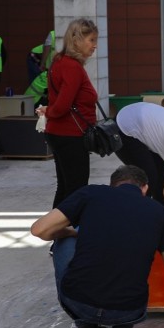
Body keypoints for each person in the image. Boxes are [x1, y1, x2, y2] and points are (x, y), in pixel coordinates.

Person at [30, 165, 164, 328]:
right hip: (128, 309)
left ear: (112, 186)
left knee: (63, 239)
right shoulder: (159, 213)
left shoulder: (91, 194)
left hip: (78, 301)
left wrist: (71, 232)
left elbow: (39, 230)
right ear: (145, 189)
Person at [35, 19, 99, 208]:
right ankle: (67, 230)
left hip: (61, 133)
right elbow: (63, 105)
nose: (95, 46)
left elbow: (59, 101)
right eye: (91, 40)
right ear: (77, 40)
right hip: (70, 134)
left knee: (66, 187)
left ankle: (57, 231)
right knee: (76, 189)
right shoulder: (72, 67)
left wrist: (50, 110)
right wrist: (51, 110)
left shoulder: (58, 61)